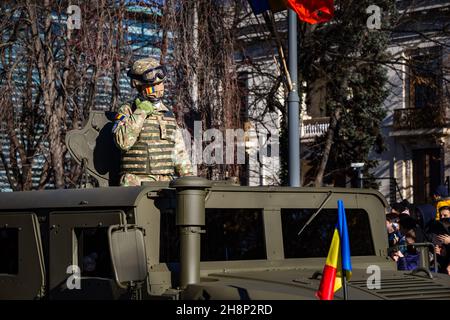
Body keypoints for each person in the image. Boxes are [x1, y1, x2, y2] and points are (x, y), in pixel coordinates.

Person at [113, 57, 193, 186]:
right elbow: (123, 142)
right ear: (140, 86)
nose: (159, 88)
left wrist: (189, 179)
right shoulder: (128, 110)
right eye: (154, 85)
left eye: (160, 83)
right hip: (136, 183)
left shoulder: (167, 113)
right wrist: (141, 112)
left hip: (166, 183)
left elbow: (179, 152)